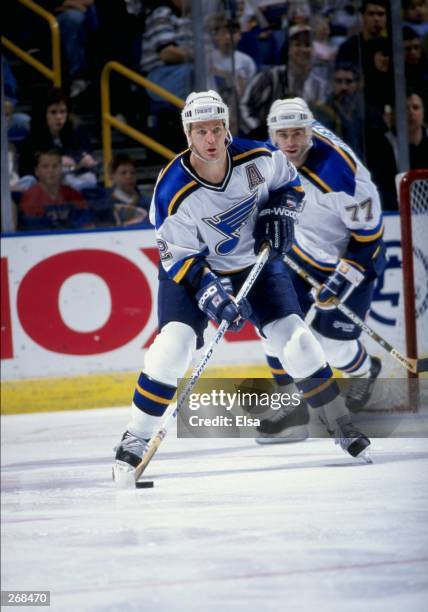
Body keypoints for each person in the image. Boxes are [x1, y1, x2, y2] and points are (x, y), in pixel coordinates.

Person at [113, 90, 371, 482]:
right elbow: (178, 257)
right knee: (172, 347)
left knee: (298, 340)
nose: (211, 139)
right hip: (192, 272)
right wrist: (211, 293)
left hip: (255, 263)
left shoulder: (259, 158)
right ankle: (135, 437)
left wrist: (280, 210)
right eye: (201, 131)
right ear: (188, 135)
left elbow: (290, 186)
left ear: (227, 127)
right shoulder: (171, 189)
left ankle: (338, 423)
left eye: (217, 128)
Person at [256, 97, 386, 443]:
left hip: (352, 258)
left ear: (310, 131)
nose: (291, 143)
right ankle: (292, 406)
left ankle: (364, 369)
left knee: (333, 348)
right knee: (273, 329)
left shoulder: (342, 177)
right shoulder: (268, 156)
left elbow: (369, 237)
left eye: (298, 133)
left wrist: (343, 278)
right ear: (272, 135)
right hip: (299, 255)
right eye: (282, 135)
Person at [18, 88, 98, 192]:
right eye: (53, 112)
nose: (59, 117)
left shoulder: (77, 132)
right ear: (44, 114)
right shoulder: (32, 139)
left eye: (62, 112)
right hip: (45, 184)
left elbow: (85, 154)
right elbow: (27, 170)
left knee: (89, 179)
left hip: (73, 177)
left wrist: (85, 159)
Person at [19, 149, 91, 230]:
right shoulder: (31, 197)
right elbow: (36, 230)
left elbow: (86, 225)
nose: (51, 170)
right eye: (45, 167)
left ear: (61, 169)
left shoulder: (73, 194)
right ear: (36, 171)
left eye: (55, 166)